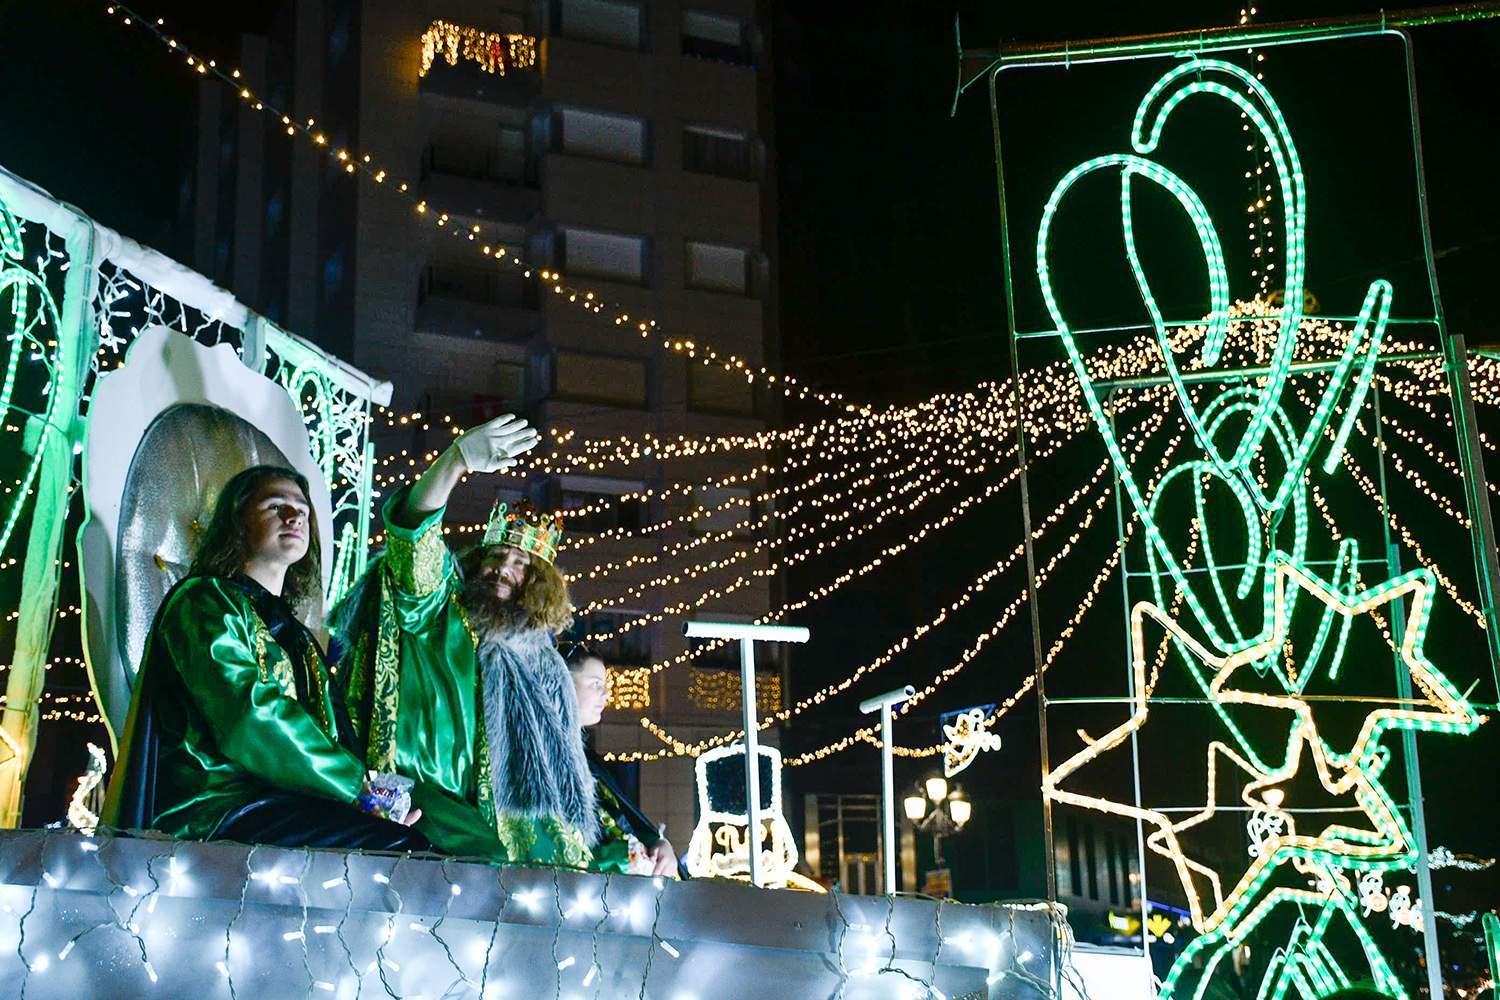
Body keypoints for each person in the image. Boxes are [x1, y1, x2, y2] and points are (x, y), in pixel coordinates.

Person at [102, 465, 427, 850]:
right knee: (402, 853)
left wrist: (372, 804)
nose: (294, 517)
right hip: (218, 807)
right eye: (275, 506)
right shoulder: (204, 601)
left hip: (286, 804)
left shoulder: (298, 636)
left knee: (413, 850)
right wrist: (353, 785)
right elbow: (247, 714)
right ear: (238, 523)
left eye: (302, 510)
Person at [331, 414, 599, 866]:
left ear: (538, 585)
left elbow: (559, 771)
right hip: (423, 808)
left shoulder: (545, 663)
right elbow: (413, 542)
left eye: (519, 564)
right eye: (495, 557)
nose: (501, 570)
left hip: (508, 826)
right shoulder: (440, 610)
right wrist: (455, 462)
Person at [563, 643, 678, 876]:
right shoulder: (545, 760)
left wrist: (660, 844)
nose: (606, 695)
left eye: (604, 685)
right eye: (595, 685)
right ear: (563, 684)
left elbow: (626, 821)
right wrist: (622, 859)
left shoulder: (588, 762)